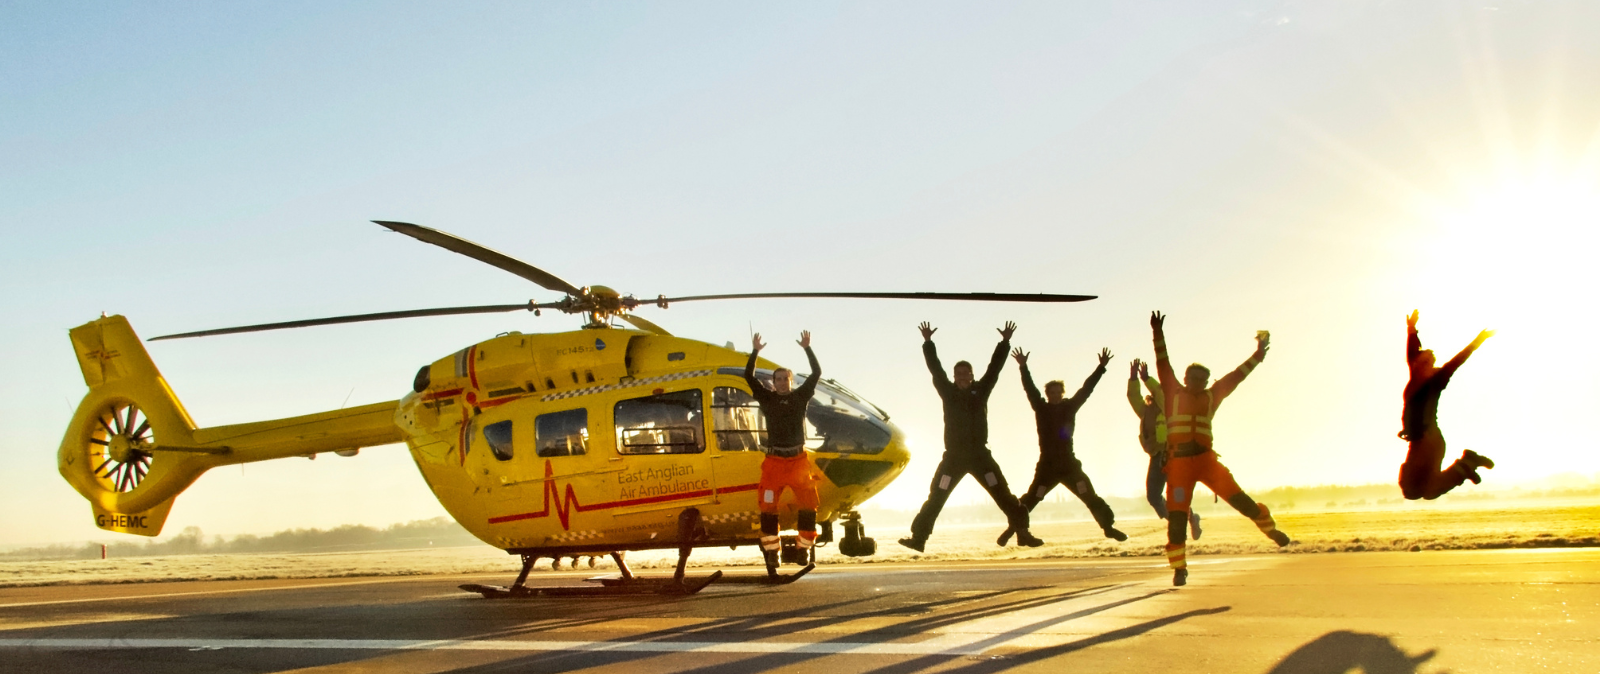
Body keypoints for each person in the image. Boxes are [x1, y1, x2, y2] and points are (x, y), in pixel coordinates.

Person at [1151, 311, 1288, 586]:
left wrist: (1259, 354)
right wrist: (1157, 332)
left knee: (1242, 501)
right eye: (1194, 378)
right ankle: (1179, 569)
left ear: (1207, 381)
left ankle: (1270, 530)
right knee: (1177, 520)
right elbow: (1162, 363)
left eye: (1203, 379)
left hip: (1206, 462)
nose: (1198, 383)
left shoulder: (1213, 396)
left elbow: (1237, 376)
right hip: (1178, 466)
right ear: (1186, 378)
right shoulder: (1173, 392)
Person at [899, 321, 1042, 552]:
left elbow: (994, 369)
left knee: (1003, 494)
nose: (963, 377)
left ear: (972, 375)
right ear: (954, 377)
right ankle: (919, 539)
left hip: (979, 456)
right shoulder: (948, 392)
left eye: (966, 373)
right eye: (959, 374)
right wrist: (928, 342)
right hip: (953, 458)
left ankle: (1023, 533)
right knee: (937, 495)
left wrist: (1004, 342)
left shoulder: (981, 390)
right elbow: (935, 369)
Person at [997, 347, 1125, 546]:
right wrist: (1023, 367)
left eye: (1058, 392)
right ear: (1047, 394)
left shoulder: (1069, 407)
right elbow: (1029, 389)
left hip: (1069, 465)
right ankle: (1013, 529)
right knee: (1031, 500)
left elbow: (1086, 390)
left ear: (1062, 393)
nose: (1055, 395)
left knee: (1088, 495)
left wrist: (1101, 367)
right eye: (1052, 392)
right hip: (1047, 467)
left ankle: (1108, 527)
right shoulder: (1041, 408)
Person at [744, 330, 823, 578]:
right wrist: (755, 351)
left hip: (798, 461)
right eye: (777, 379)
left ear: (790, 381)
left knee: (809, 505)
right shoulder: (766, 398)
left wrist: (807, 348)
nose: (781, 382)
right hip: (774, 462)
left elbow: (816, 373)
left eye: (785, 379)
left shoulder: (801, 397)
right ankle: (771, 553)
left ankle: (803, 550)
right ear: (773, 382)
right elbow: (748, 375)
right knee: (768, 507)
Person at [1398, 310, 1495, 500]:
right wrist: (1411, 329)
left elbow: (1459, 359)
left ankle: (1466, 465)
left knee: (1417, 490)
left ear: (1430, 366)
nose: (1421, 362)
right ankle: (1466, 465)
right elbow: (1412, 353)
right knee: (1420, 490)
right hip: (1420, 443)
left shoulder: (1437, 381)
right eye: (1420, 359)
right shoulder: (1415, 375)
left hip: (1429, 441)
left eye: (1427, 361)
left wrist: (1479, 339)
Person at [1129, 359, 1201, 539]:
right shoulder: (1146, 411)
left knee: (1176, 495)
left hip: (1173, 455)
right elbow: (1133, 397)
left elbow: (1160, 392)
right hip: (1156, 456)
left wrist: (1146, 379)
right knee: (1153, 497)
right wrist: (1132, 379)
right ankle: (1185, 519)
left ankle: (1187, 518)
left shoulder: (1166, 407)